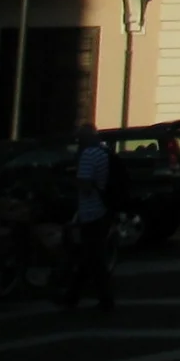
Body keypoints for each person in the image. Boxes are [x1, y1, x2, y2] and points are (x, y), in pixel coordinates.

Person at [60, 123, 116, 311]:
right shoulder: (103, 152)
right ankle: (73, 296)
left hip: (91, 211)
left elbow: (84, 184)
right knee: (89, 256)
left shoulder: (87, 155)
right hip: (103, 209)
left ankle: (103, 298)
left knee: (92, 257)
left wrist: (71, 183)